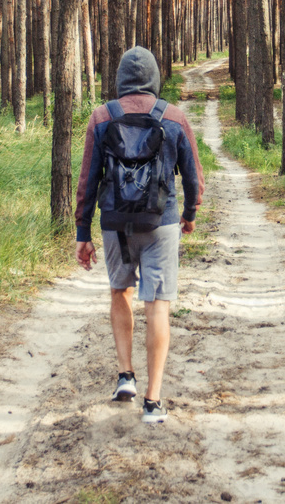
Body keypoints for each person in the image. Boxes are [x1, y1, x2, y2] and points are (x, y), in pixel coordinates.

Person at [74, 46, 204, 423]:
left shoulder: (102, 117)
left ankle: (125, 375)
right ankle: (153, 401)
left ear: (119, 80)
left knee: (120, 291)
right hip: (161, 223)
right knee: (158, 303)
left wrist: (83, 232)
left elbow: (88, 179)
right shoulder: (174, 117)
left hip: (115, 222)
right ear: (154, 77)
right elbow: (194, 178)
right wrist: (190, 215)